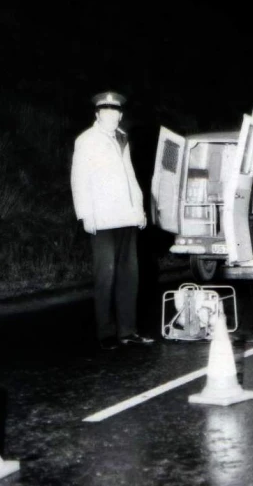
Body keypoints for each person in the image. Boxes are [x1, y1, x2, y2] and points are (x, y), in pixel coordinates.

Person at [70, 91, 154, 350]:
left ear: (120, 115)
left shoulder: (122, 139)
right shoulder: (87, 140)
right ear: (98, 115)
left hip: (126, 217)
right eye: (106, 112)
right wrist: (85, 214)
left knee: (130, 276)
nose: (112, 116)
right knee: (105, 276)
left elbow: (130, 177)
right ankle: (106, 333)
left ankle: (128, 331)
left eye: (116, 112)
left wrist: (139, 209)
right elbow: (79, 178)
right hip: (103, 219)